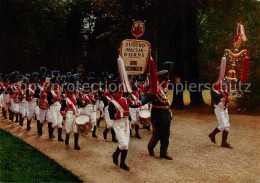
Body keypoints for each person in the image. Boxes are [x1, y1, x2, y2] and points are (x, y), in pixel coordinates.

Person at [141, 70, 173, 160]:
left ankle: (164, 152)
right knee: (157, 134)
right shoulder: (154, 91)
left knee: (166, 134)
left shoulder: (163, 90)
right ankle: (150, 147)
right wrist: (138, 103)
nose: (167, 83)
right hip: (157, 114)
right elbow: (145, 99)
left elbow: (166, 102)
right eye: (167, 81)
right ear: (163, 81)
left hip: (166, 114)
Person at [109, 80, 132, 171]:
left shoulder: (125, 100)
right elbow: (111, 117)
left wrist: (133, 102)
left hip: (126, 123)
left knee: (126, 145)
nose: (120, 93)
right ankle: (116, 155)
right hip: (118, 124)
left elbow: (133, 106)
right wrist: (122, 114)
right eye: (118, 92)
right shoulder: (112, 104)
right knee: (124, 144)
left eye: (121, 91)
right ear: (114, 93)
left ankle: (121, 162)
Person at [209, 79, 233, 148]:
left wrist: (227, 97)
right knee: (222, 126)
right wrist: (225, 96)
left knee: (227, 126)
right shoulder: (213, 91)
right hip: (218, 109)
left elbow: (227, 95)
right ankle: (212, 134)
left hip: (225, 109)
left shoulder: (224, 89)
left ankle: (224, 142)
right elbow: (219, 96)